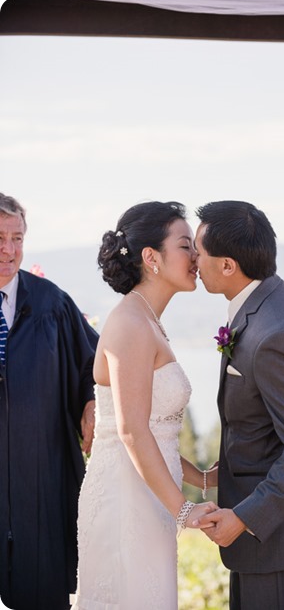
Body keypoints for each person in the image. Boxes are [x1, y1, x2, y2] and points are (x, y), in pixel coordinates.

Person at [193, 200, 284, 610]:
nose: (192, 259)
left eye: (198, 250)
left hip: (280, 540)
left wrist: (243, 518)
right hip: (269, 541)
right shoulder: (270, 302)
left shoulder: (275, 331)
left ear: (227, 265)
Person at [71, 201, 217, 610]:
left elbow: (155, 432)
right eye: (186, 245)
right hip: (126, 501)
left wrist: (201, 478)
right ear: (151, 258)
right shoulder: (131, 322)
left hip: (150, 496)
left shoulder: (149, 320)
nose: (196, 256)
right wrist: (185, 510)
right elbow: (131, 431)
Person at [0, 193, 99, 610]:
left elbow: (96, 365)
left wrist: (92, 403)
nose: (8, 250)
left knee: (40, 592)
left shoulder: (51, 304)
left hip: (38, 483)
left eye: (17, 238)